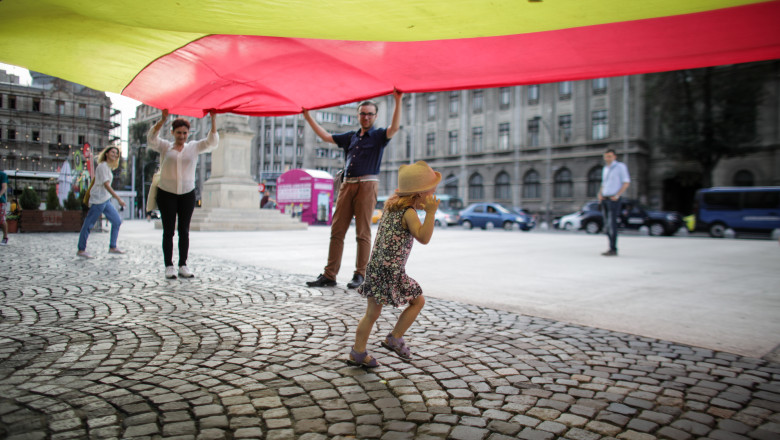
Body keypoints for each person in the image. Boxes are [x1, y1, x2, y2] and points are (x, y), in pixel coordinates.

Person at [303, 90, 404, 289]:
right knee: (337, 231)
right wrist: (307, 116)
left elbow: (394, 128)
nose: (365, 117)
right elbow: (325, 136)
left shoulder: (378, 136)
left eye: (369, 114)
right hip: (347, 185)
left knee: (363, 233)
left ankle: (360, 275)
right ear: (358, 115)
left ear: (374, 116)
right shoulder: (351, 137)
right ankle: (329, 275)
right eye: (362, 113)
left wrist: (398, 100)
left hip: (367, 185)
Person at [346, 161, 441, 367]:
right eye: (431, 192)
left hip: (376, 269)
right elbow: (424, 238)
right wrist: (431, 213)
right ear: (418, 194)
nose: (433, 196)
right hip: (391, 271)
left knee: (371, 314)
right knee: (418, 301)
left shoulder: (391, 207)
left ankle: (358, 352)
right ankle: (395, 337)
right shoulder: (408, 212)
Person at [148, 109, 219, 279]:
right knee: (168, 231)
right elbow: (151, 139)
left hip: (187, 193)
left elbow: (211, 142)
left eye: (185, 133)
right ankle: (169, 265)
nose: (181, 136)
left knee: (184, 230)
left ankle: (183, 264)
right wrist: (162, 120)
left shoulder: (193, 147)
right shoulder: (165, 146)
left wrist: (213, 119)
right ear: (172, 132)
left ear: (188, 133)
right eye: (178, 132)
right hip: (167, 193)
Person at [77, 146, 126, 258]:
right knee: (88, 224)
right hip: (99, 200)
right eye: (113, 152)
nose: (114, 154)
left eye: (116, 153)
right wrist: (118, 199)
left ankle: (113, 247)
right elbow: (106, 185)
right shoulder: (103, 166)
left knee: (117, 221)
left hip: (105, 200)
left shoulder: (108, 167)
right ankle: (81, 249)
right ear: (107, 154)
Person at [598, 148, 631, 256]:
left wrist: (617, 195)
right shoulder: (605, 169)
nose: (608, 158)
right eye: (606, 156)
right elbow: (604, 183)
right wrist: (600, 194)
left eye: (610, 156)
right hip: (605, 198)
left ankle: (613, 249)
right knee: (606, 225)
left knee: (612, 225)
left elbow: (626, 182)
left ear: (614, 157)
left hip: (613, 199)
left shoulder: (620, 167)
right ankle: (610, 247)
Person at [0, 167, 8, 246]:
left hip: (0, 201)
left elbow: (4, 187)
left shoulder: (2, 175)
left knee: (1, 219)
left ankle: (5, 237)